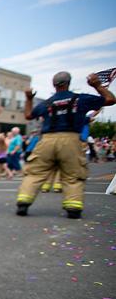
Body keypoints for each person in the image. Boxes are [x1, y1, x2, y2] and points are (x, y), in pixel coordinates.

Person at [16, 71, 115, 218]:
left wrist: (29, 99)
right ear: (68, 83)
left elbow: (29, 115)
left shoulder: (47, 103)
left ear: (54, 85)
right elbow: (110, 99)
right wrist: (97, 85)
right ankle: (73, 207)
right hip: (71, 139)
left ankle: (23, 201)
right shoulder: (80, 99)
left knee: (35, 173)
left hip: (47, 140)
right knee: (73, 175)